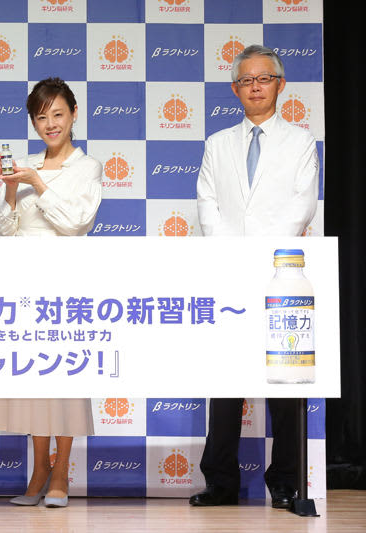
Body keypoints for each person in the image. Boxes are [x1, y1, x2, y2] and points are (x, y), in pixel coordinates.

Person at [190, 45, 318, 509]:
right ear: (235, 90)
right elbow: (207, 203)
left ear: (280, 85)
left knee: (283, 382)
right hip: (229, 273)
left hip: (281, 277)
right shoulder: (217, 143)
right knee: (226, 384)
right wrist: (234, 254)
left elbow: (302, 204)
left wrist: (262, 255)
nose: (256, 87)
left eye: (264, 78)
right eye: (246, 80)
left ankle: (285, 481)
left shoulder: (300, 141)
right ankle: (220, 482)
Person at [0, 78, 102, 508]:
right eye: (41, 117)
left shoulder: (87, 167)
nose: (50, 124)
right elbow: (2, 227)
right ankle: (37, 471)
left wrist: (37, 181)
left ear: (73, 114)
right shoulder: (25, 165)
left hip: (66, 284)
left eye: (58, 114)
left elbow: (76, 222)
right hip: (23, 284)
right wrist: (11, 187)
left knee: (65, 378)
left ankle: (61, 472)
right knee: (35, 377)